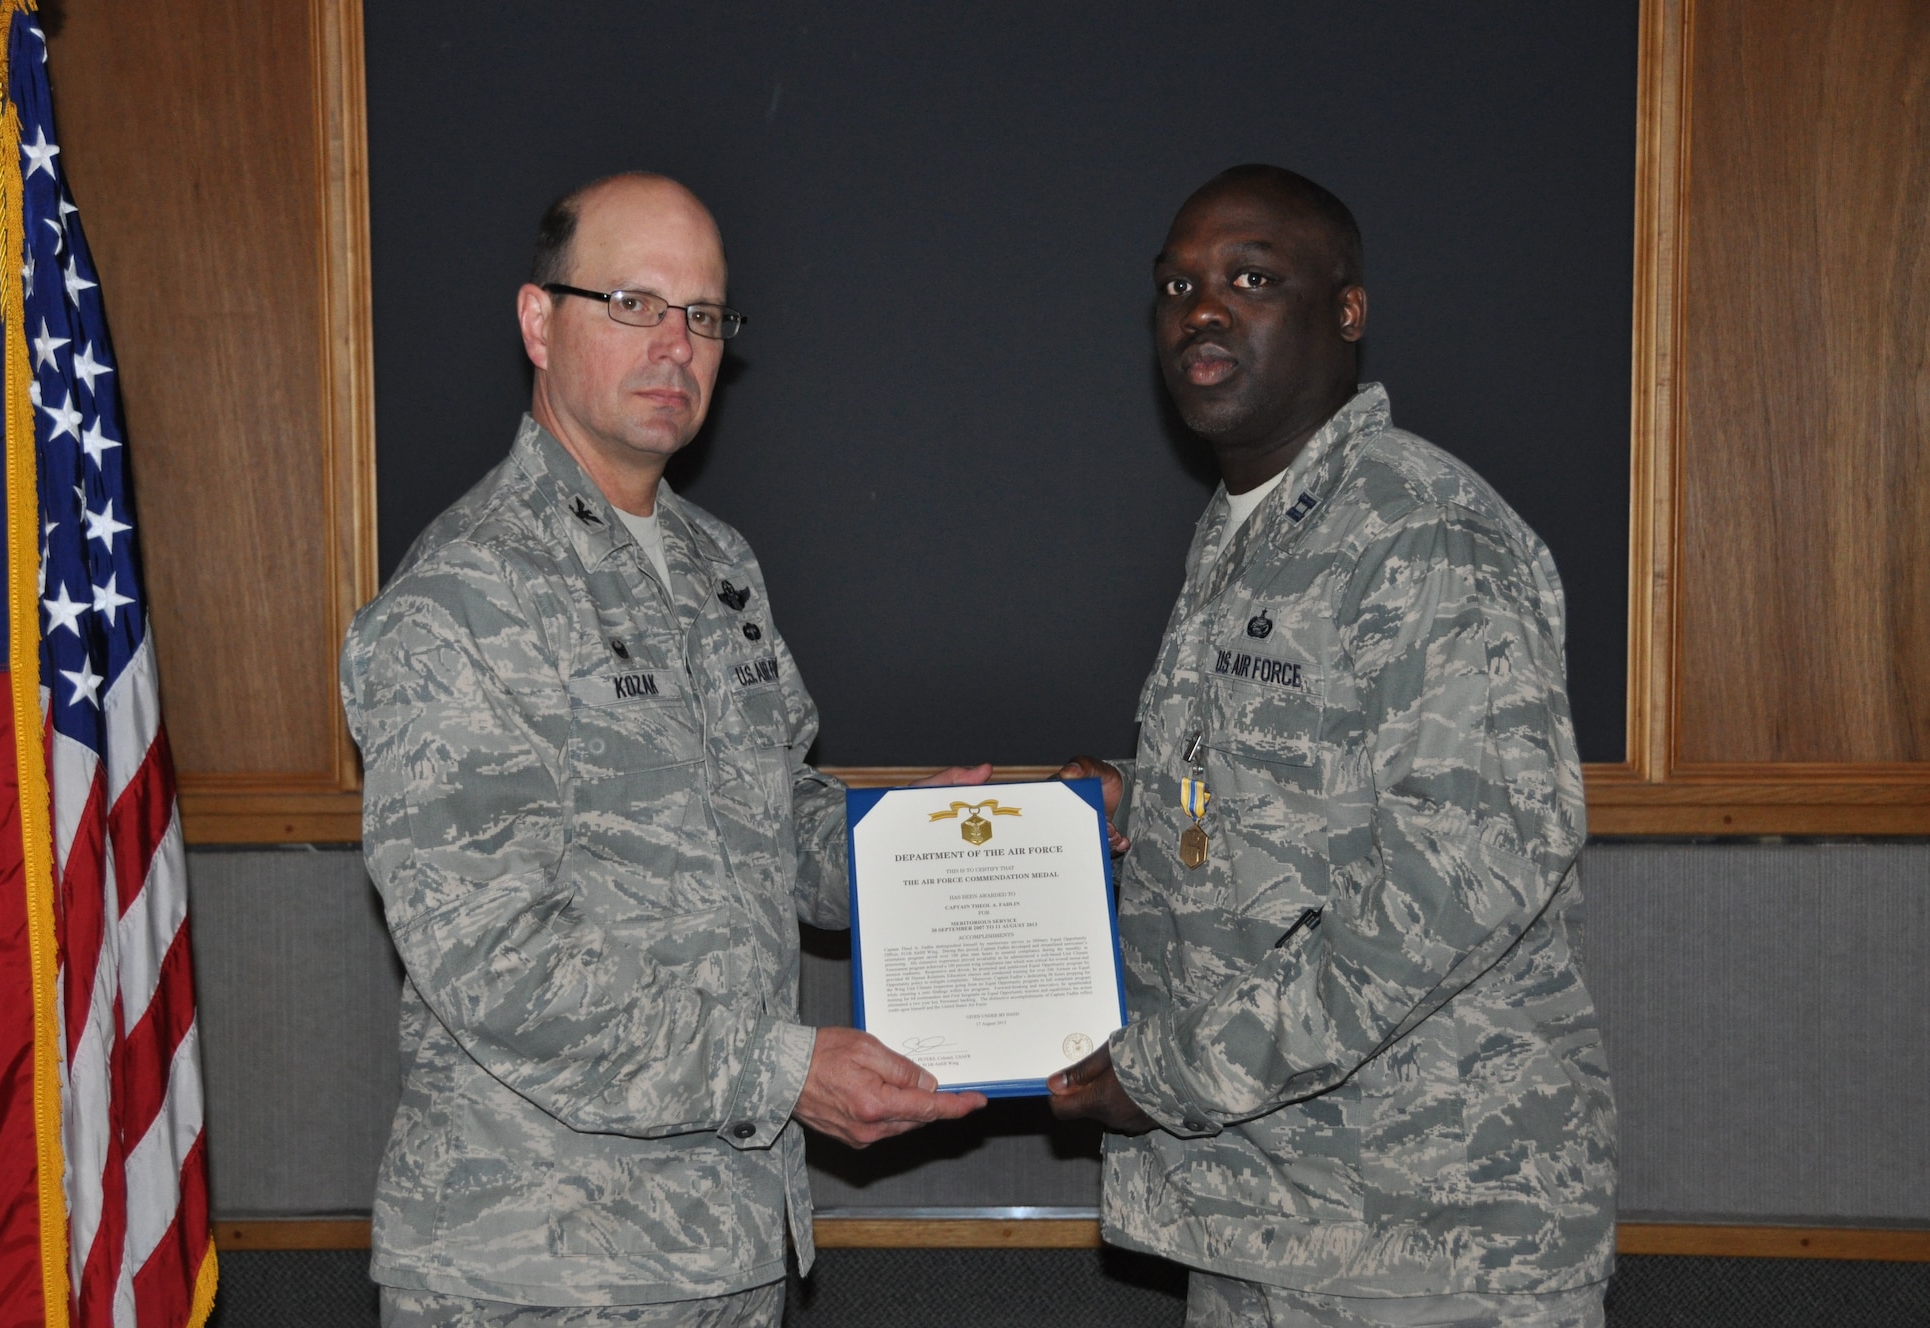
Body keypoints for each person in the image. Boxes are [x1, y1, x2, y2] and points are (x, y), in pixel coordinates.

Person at [339, 173, 987, 1328]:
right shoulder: (462, 598)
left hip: (723, 1239)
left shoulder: (714, 563)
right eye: (633, 302)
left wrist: (932, 847)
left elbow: (773, 822)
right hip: (537, 1266)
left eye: (703, 314)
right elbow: (492, 957)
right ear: (539, 321)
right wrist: (781, 1071)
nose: (675, 345)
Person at [1048, 164, 1617, 1326]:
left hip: (1428, 1243)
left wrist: (1166, 1073)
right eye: (1176, 284)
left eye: (1251, 279)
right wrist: (1132, 799)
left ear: (1344, 312)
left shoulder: (1420, 531)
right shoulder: (1249, 533)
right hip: (1273, 1220)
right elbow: (1294, 792)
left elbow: (1462, 871)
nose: (1200, 309)